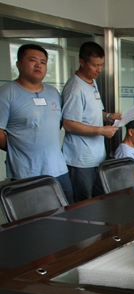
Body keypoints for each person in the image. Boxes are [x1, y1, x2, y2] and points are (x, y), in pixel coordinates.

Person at [0, 44, 73, 203]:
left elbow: (57, 123)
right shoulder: (7, 93)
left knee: (68, 211)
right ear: (18, 64)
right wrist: (16, 148)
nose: (38, 65)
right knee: (35, 216)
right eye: (32, 60)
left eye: (43, 62)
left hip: (58, 169)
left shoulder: (53, 92)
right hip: (26, 172)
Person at [62, 41, 122, 202]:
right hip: (81, 160)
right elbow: (68, 123)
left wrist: (108, 116)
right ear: (82, 62)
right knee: (83, 203)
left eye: (101, 65)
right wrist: (100, 130)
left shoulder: (91, 82)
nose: (99, 69)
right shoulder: (75, 88)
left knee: (98, 200)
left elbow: (90, 112)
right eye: (95, 65)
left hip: (96, 156)